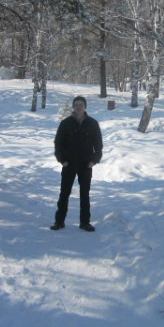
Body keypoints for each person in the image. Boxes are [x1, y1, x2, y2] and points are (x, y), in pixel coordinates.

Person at [51, 96, 103, 232]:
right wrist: (62, 160)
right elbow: (58, 143)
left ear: (85, 107)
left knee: (84, 194)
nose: (78, 107)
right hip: (69, 163)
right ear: (73, 107)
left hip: (86, 164)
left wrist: (94, 160)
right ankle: (59, 221)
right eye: (76, 104)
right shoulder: (65, 123)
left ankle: (85, 222)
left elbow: (98, 144)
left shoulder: (92, 123)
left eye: (81, 104)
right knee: (64, 193)